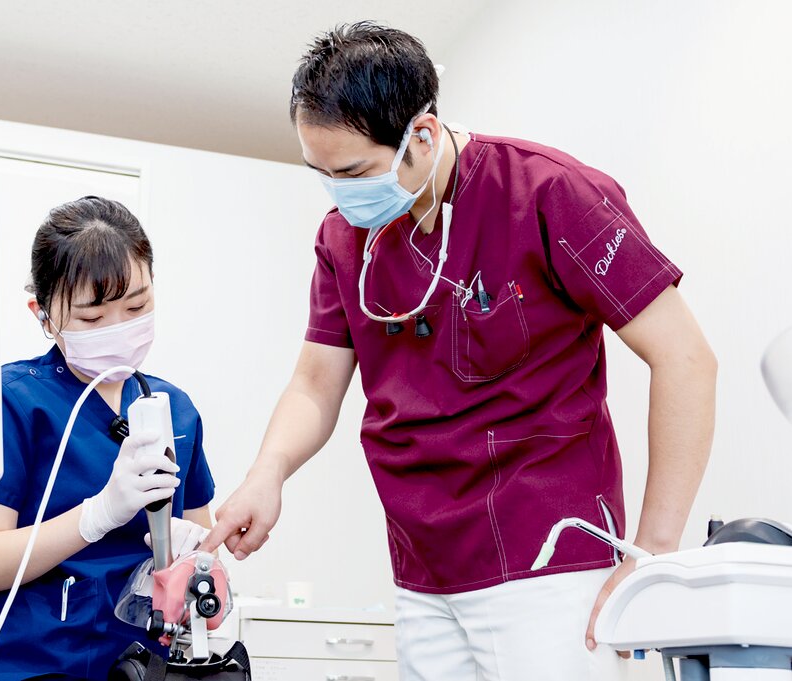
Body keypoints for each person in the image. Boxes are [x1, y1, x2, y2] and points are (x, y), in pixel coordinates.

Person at [201, 22, 717, 680]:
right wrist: (266, 473)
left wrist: (654, 553)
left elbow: (687, 357)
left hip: (548, 564)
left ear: (421, 133)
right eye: (321, 174)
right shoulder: (342, 239)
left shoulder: (548, 194)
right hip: (423, 571)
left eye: (354, 171)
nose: (339, 193)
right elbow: (313, 383)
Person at [0, 196, 216, 680]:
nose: (119, 328)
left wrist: (199, 563)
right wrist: (99, 514)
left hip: (139, 667)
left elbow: (200, 567)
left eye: (138, 305)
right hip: (24, 664)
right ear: (42, 312)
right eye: (92, 318)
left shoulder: (176, 410)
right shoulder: (12, 401)